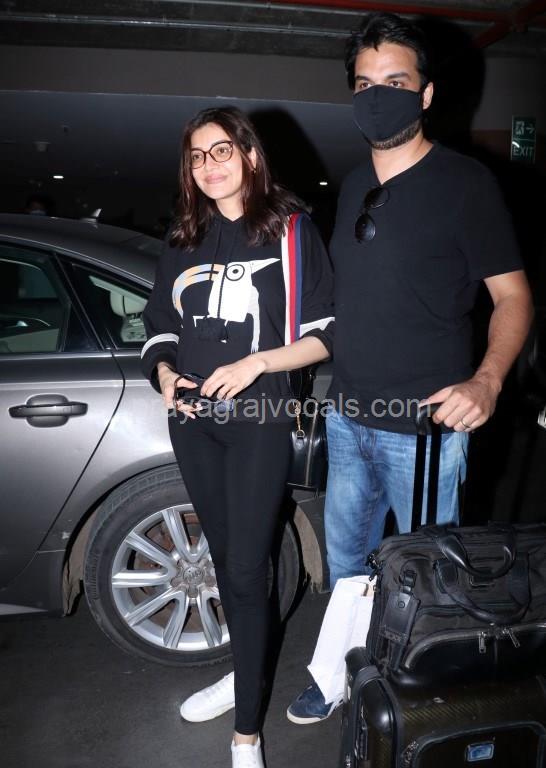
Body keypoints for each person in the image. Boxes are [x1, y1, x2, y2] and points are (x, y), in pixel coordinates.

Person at [287, 11, 533, 725]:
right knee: (347, 567)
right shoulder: (352, 184)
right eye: (365, 84)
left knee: (424, 575)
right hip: (348, 417)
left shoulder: (465, 183)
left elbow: (513, 296)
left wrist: (487, 380)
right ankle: (340, 674)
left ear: (425, 94)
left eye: (395, 82)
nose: (378, 97)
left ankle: (416, 698)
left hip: (423, 428)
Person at [140, 106, 334, 767]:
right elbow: (160, 325)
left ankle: (246, 733)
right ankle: (242, 673)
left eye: (221, 150)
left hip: (258, 421)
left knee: (249, 570)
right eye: (197, 156)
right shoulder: (184, 237)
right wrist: (165, 374)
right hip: (193, 425)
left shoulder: (291, 231)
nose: (209, 165)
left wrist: (257, 364)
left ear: (250, 155)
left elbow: (326, 333)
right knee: (226, 563)